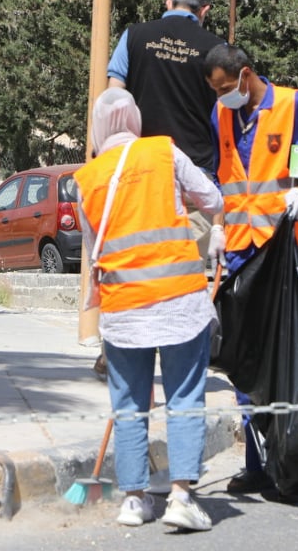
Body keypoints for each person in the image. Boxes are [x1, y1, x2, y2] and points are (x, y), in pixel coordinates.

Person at [203, 43, 298, 503]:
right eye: (217, 92)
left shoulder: (295, 106)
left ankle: (291, 469)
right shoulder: (221, 115)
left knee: (287, 361)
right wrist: (216, 226)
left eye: (227, 88)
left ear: (246, 75)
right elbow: (220, 176)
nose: (223, 98)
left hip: (288, 255)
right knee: (247, 364)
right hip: (243, 255)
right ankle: (257, 466)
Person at [74, 88, 224, 532]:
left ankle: (135, 499)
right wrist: (214, 232)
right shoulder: (163, 152)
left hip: (123, 312)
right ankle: (180, 496)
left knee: (129, 405)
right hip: (179, 303)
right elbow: (212, 198)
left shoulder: (86, 179)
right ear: (135, 120)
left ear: (99, 129)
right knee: (184, 399)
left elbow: (91, 250)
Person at [107, 0, 226, 259]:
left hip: (141, 171)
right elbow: (226, 112)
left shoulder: (133, 35)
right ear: (205, 11)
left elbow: (114, 98)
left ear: (169, 3)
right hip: (194, 175)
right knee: (185, 271)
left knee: (143, 263)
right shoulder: (216, 48)